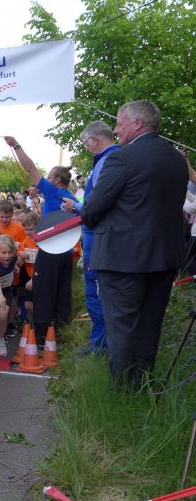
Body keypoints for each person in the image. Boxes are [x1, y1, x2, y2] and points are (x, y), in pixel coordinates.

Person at [77, 101, 189, 387]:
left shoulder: (122, 158)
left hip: (122, 259)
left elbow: (92, 209)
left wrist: (91, 216)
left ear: (137, 123)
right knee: (150, 324)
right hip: (164, 256)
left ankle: (124, 390)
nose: (116, 130)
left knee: (122, 327)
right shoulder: (176, 159)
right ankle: (143, 382)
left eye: (119, 123)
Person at [5, 137, 77, 345]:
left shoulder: (54, 191)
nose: (45, 178)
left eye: (49, 176)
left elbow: (30, 168)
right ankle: (61, 335)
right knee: (63, 292)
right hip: (67, 252)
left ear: (56, 180)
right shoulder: (71, 197)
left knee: (43, 292)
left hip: (51, 249)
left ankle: (42, 337)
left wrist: (16, 146)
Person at [67, 121, 121, 353]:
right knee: (97, 290)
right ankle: (100, 341)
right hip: (99, 233)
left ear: (94, 140)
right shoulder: (111, 158)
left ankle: (101, 345)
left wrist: (76, 207)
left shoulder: (109, 160)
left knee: (96, 290)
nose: (86, 147)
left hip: (98, 234)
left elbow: (98, 203)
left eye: (85, 143)